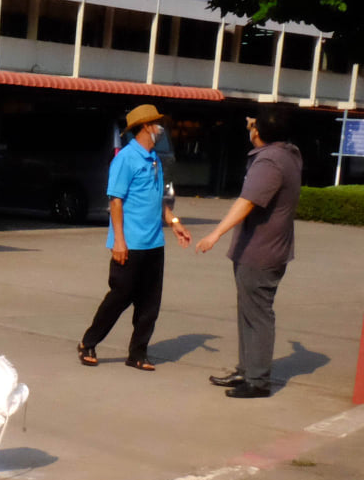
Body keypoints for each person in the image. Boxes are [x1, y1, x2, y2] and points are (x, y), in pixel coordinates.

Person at [196, 107, 302, 398]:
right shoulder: (289, 152)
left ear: (260, 133)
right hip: (265, 250)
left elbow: (247, 202)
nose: (250, 127)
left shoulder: (269, 161)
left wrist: (215, 234)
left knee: (257, 316)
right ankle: (247, 370)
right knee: (249, 313)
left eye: (254, 125)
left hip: (260, 252)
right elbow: (268, 132)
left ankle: (257, 381)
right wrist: (258, 126)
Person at [77, 104, 192, 369]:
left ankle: (138, 353)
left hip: (154, 243)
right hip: (129, 242)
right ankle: (88, 342)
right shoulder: (126, 159)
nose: (160, 129)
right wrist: (119, 240)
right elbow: (115, 201)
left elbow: (156, 199)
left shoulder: (154, 159)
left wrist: (174, 222)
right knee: (120, 296)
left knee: (150, 303)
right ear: (145, 128)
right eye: (156, 125)